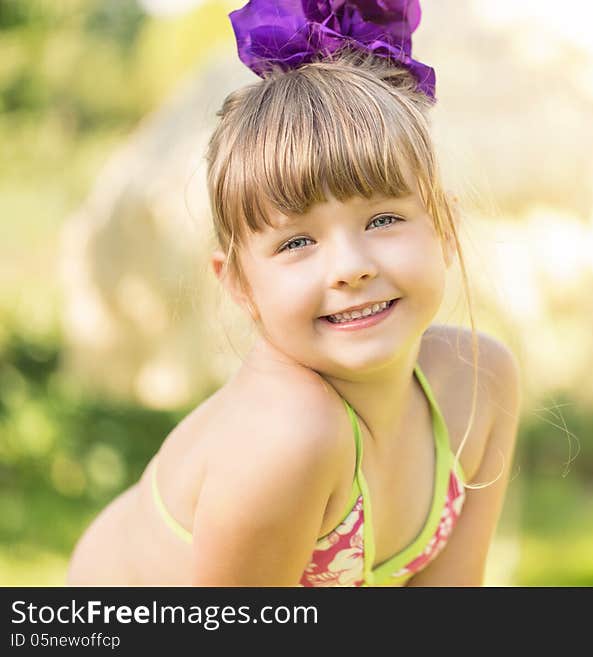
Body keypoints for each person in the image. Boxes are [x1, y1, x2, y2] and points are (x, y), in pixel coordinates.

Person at [66, 0, 521, 587]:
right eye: (296, 242)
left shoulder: (478, 382)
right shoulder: (289, 436)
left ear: (445, 228)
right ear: (239, 284)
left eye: (383, 220)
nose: (350, 268)